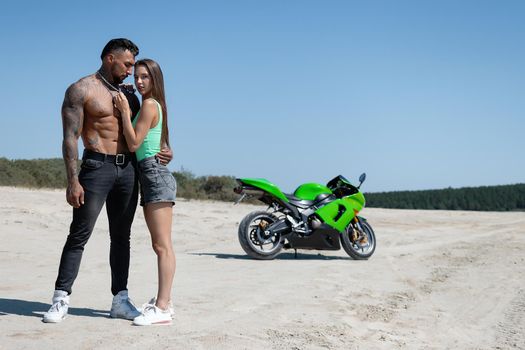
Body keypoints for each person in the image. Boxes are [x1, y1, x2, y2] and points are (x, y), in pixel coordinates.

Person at [43, 39, 173, 323]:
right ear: (109, 58)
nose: (131, 72)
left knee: (121, 237)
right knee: (80, 233)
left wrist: (166, 146)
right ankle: (60, 298)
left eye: (134, 67)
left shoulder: (131, 94)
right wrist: (72, 180)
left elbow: (148, 128)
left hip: (128, 169)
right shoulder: (82, 89)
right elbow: (69, 138)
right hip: (96, 166)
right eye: (127, 65)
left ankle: (120, 299)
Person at [114, 58, 177, 326]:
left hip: (154, 174)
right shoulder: (153, 104)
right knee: (158, 245)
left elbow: (134, 141)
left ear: (155, 80)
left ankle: (162, 308)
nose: (139, 81)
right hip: (149, 173)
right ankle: (164, 303)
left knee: (163, 246)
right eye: (137, 76)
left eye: (144, 77)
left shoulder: (150, 104)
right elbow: (158, 143)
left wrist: (125, 111)